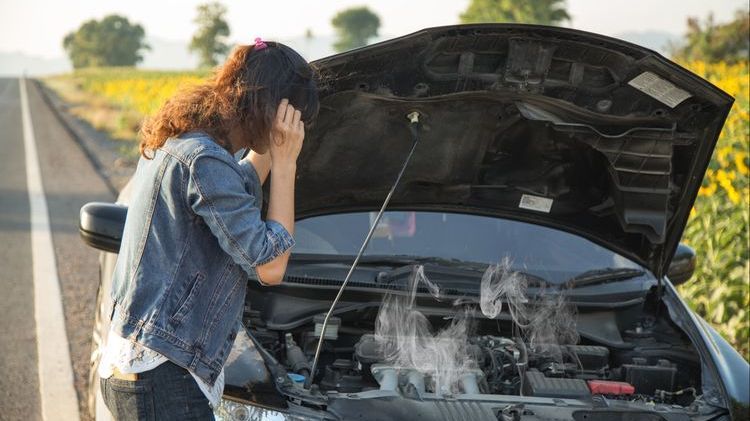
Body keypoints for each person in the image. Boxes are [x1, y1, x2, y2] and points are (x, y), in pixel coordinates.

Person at [98, 38, 319, 420]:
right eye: (290, 115)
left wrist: (272, 148)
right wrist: (285, 164)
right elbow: (270, 266)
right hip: (161, 376)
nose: (293, 128)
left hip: (144, 368)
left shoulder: (190, 144)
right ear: (270, 106)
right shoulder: (205, 160)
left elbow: (237, 188)